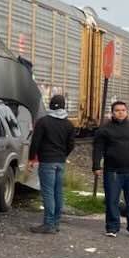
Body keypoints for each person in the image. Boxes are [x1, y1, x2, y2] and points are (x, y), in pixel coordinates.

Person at [92, 100, 129, 239]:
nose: (121, 112)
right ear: (112, 113)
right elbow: (98, 149)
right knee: (112, 200)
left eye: (123, 110)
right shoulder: (105, 129)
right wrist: (96, 165)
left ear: (127, 112)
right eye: (117, 110)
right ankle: (112, 227)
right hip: (113, 172)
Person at [27, 94, 76, 234]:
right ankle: (56, 223)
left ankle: (48, 224)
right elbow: (71, 144)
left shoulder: (43, 122)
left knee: (48, 193)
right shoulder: (69, 124)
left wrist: (31, 159)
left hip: (47, 162)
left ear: (50, 105)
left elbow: (35, 142)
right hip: (60, 162)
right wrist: (62, 155)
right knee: (57, 192)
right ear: (63, 106)